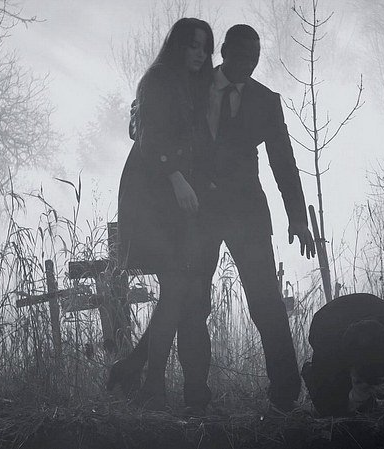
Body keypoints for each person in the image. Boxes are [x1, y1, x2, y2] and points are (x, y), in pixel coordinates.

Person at [111, 23, 316, 415]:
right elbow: (149, 123)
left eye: (255, 58)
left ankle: (285, 395)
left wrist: (297, 217)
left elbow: (284, 162)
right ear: (223, 51)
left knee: (266, 303)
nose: (248, 65)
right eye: (241, 56)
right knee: (193, 306)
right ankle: (195, 398)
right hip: (196, 215)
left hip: (248, 217)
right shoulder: (191, 85)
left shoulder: (265, 101)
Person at [109, 17, 214, 411]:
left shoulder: (193, 84)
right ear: (178, 46)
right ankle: (149, 380)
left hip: (175, 201)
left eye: (205, 47)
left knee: (178, 289)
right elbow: (150, 138)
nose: (200, 54)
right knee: (175, 286)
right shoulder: (157, 80)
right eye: (193, 45)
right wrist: (177, 178)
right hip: (152, 196)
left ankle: (136, 372)